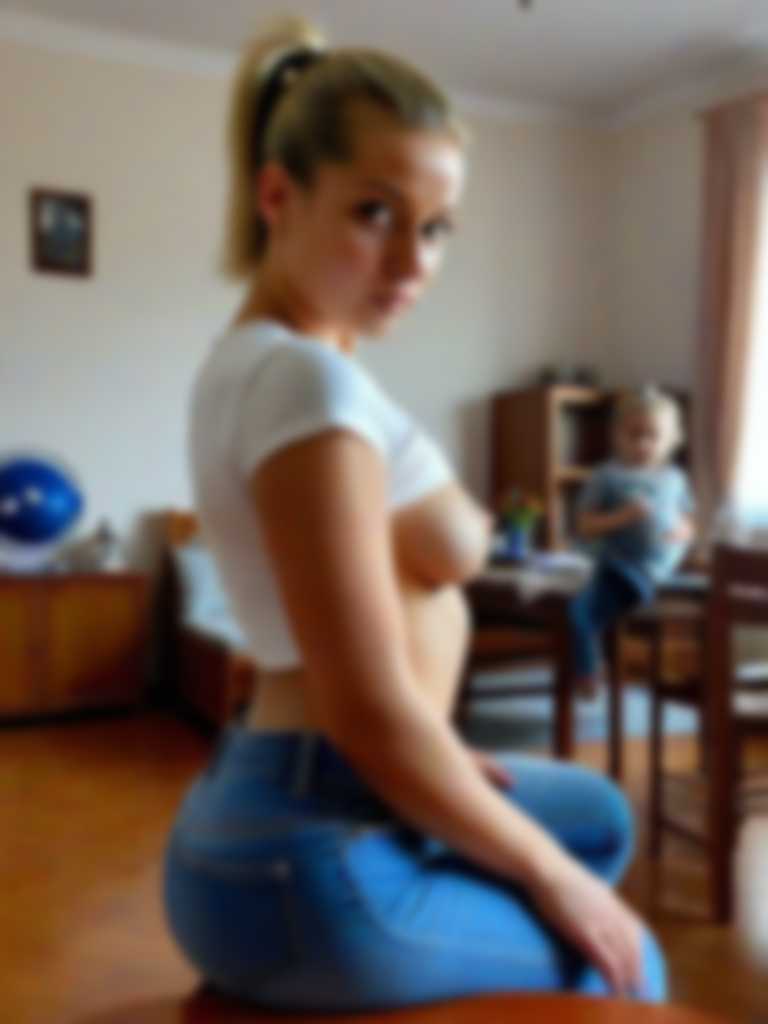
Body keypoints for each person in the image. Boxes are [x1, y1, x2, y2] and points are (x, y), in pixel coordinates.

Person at [162, 15, 667, 1012]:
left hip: (280, 801)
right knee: (629, 965)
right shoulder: (304, 385)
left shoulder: (268, 361)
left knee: (597, 816)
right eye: (374, 213)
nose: (412, 262)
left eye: (434, 228)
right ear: (278, 195)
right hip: (312, 839)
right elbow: (363, 711)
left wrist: (442, 762)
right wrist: (548, 877)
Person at [569, 386, 696, 698]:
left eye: (653, 436)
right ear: (617, 435)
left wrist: (683, 531)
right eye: (634, 434)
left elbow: (689, 521)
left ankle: (595, 662)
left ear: (672, 439)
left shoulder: (675, 478)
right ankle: (588, 670)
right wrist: (621, 517)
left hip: (661, 572)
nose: (643, 443)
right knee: (580, 612)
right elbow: (584, 525)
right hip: (618, 567)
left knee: (588, 612)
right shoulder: (606, 476)